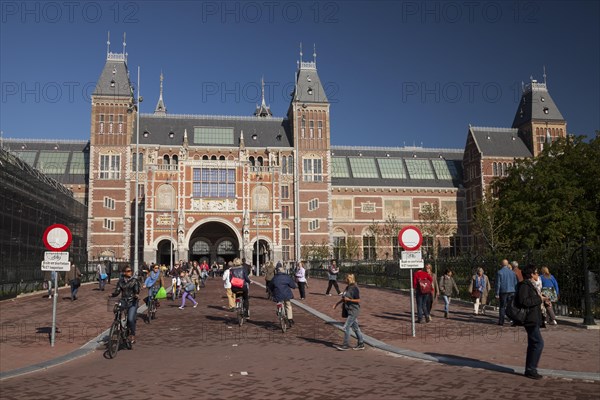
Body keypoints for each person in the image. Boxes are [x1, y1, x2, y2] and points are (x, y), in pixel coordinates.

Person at [516, 264, 545, 379]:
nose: (538, 274)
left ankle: (530, 368)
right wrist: (539, 299)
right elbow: (523, 301)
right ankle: (531, 369)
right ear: (531, 274)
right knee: (538, 343)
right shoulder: (524, 285)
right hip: (529, 319)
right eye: (536, 272)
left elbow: (532, 300)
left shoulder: (532, 285)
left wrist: (543, 300)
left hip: (534, 317)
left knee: (533, 343)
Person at [333, 274, 365, 351]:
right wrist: (337, 304)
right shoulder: (348, 287)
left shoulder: (354, 288)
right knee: (356, 328)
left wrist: (350, 300)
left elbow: (358, 300)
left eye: (346, 279)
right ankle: (361, 343)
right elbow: (344, 298)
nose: (345, 280)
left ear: (350, 279)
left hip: (354, 310)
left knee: (346, 327)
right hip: (349, 310)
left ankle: (345, 345)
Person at [111, 265, 141, 343]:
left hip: (132, 301)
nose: (130, 272)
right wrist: (112, 294)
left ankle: (132, 335)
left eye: (131, 271)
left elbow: (137, 290)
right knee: (117, 310)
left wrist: (136, 295)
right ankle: (116, 327)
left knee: (131, 319)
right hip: (123, 300)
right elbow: (117, 291)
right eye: (128, 271)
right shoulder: (120, 281)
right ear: (124, 272)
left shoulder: (135, 281)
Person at [268, 261, 297, 326]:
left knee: (279, 302)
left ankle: (279, 311)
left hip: (278, 295)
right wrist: (294, 286)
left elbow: (270, 286)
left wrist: (272, 292)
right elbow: (293, 286)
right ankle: (290, 319)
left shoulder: (274, 278)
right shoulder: (287, 277)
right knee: (288, 305)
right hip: (286, 294)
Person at [496, 259, 518, 326]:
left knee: (502, 306)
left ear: (502, 264)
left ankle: (501, 321)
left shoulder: (499, 272)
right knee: (511, 306)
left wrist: (497, 293)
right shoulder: (512, 273)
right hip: (512, 291)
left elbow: (498, 284)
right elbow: (515, 283)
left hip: (503, 291)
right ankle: (514, 320)